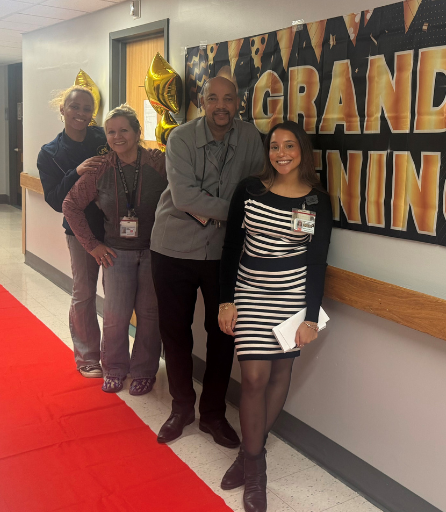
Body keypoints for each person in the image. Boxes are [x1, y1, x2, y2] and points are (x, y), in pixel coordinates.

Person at [217, 120, 333, 512]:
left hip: (291, 299)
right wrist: (226, 300)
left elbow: (317, 262)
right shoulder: (249, 190)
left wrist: (311, 318)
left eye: (289, 146)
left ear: (303, 151)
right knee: (253, 377)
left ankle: (249, 458)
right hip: (250, 293)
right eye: (274, 147)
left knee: (280, 375)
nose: (281, 153)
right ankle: (256, 467)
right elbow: (231, 247)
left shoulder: (317, 201)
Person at [151, 76, 266, 445]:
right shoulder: (181, 138)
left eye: (228, 99)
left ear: (238, 103)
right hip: (173, 248)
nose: (221, 105)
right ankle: (181, 406)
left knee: (222, 334)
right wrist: (237, 213)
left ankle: (213, 415)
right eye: (213, 98)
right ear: (201, 102)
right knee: (175, 331)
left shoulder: (250, 138)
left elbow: (258, 186)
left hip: (223, 254)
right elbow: (185, 197)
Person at [63, 105, 167, 394]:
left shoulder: (159, 164)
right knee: (116, 316)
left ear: (137, 132)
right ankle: (115, 368)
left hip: (153, 252)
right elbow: (70, 205)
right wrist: (92, 245)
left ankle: (145, 370)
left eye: (124, 130)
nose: (117, 136)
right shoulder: (101, 168)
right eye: (111, 132)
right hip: (116, 254)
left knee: (149, 314)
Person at [37, 85, 108, 379]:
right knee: (84, 293)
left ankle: (116, 355)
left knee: (119, 294)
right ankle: (87, 357)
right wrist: (76, 171)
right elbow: (54, 199)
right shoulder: (50, 153)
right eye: (75, 107)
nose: (81, 114)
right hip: (81, 232)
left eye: (87, 108)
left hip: (117, 225)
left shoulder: (103, 137)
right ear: (63, 109)